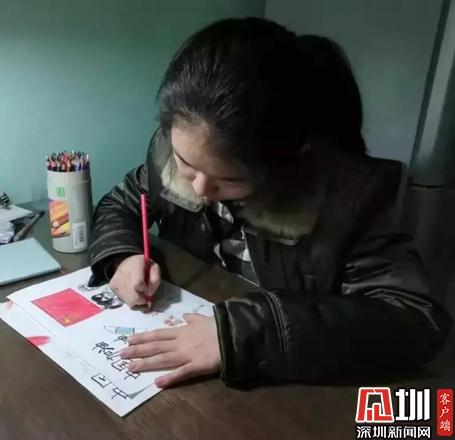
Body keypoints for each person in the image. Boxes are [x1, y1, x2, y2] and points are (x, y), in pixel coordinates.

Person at [88, 17, 452, 389]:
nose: (200, 188)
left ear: (290, 159)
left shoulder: (347, 198)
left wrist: (245, 331)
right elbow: (123, 203)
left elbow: (416, 319)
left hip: (281, 383)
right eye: (186, 164)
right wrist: (123, 255)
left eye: (229, 179)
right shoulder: (171, 151)